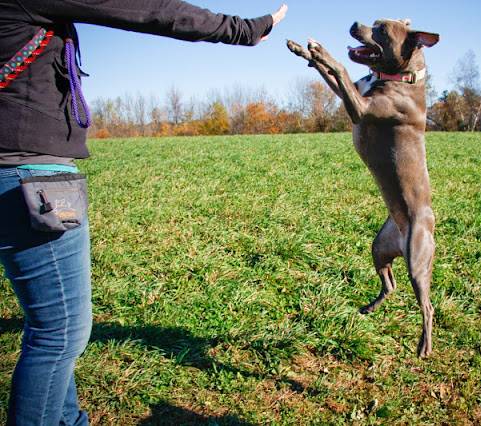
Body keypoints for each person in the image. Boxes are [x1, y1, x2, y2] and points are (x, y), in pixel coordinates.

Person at [0, 1, 287, 424]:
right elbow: (147, 9)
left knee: (50, 325)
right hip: (32, 176)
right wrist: (245, 29)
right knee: (59, 333)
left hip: (19, 172)